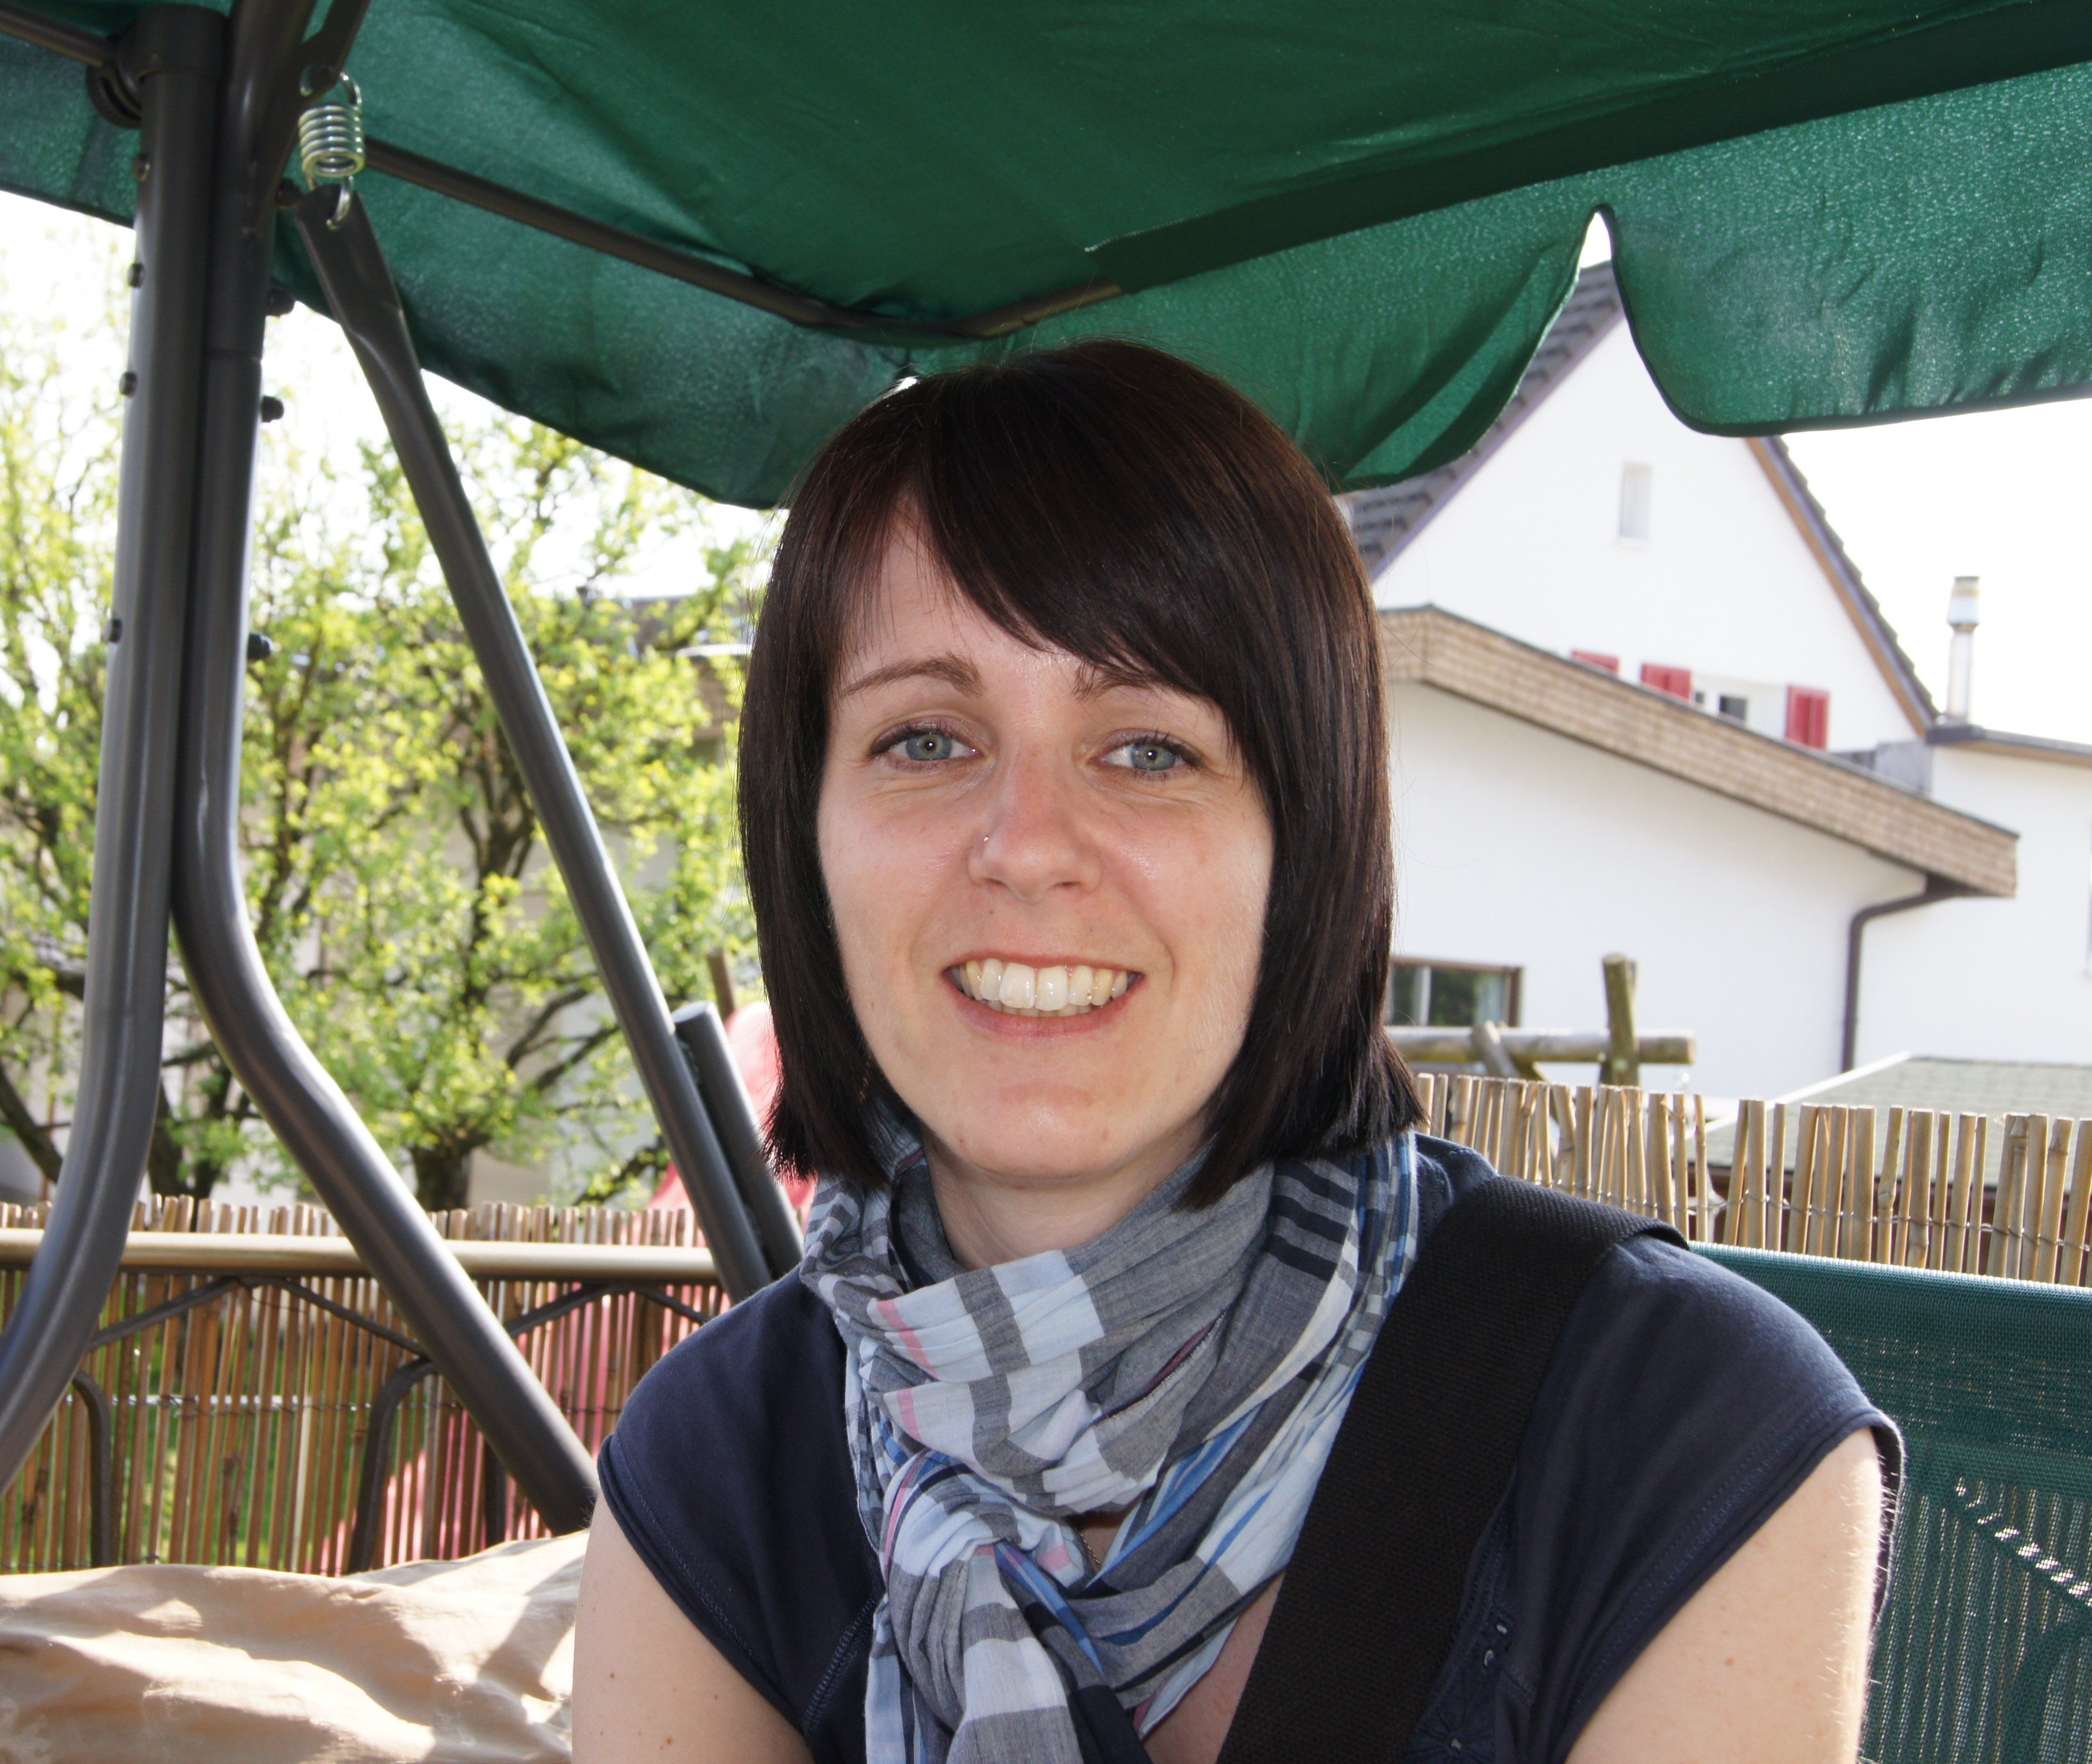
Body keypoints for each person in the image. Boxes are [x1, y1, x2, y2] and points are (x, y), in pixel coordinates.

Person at [571, 341, 1895, 1764]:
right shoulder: (717, 1468)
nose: (1025, 845)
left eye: (1148, 748)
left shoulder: (1679, 1434)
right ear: (806, 836)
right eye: (926, 739)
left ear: (1303, 842)